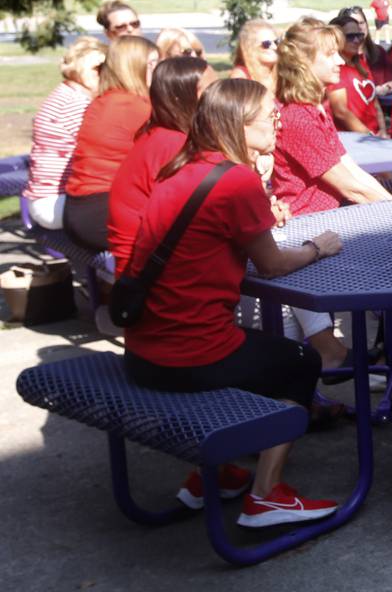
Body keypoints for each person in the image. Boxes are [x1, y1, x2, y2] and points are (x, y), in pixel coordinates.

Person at [121, 79, 342, 527]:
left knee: (257, 350)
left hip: (142, 350)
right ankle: (267, 496)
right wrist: (318, 247)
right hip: (191, 353)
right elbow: (274, 264)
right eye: (269, 116)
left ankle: (214, 475)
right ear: (239, 125)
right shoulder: (235, 180)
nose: (278, 122)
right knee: (297, 361)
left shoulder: (181, 168)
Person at [107, 56, 217, 278]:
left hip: (145, 263)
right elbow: (205, 219)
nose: (219, 96)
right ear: (182, 97)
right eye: (211, 89)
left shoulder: (160, 134)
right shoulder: (175, 146)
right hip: (147, 274)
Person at [272, 19, 392, 216]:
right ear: (303, 61)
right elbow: (352, 189)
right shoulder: (297, 116)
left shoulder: (313, 108)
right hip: (308, 225)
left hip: (328, 216)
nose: (341, 61)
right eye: (330, 55)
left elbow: (351, 169)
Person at [62, 36, 159, 251]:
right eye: (151, 64)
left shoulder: (104, 100)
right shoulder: (136, 106)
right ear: (132, 67)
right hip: (104, 214)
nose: (158, 70)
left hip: (78, 210)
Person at [22, 36, 107, 229]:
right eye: (96, 69)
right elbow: (100, 147)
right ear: (76, 67)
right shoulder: (74, 104)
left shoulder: (66, 93)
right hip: (53, 201)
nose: (103, 75)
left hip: (48, 198)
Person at [327, 13, 385, 135]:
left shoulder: (361, 62)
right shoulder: (335, 68)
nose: (357, 40)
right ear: (337, 38)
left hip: (373, 135)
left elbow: (375, 102)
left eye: (359, 35)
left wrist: (383, 131)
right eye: (350, 37)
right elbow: (341, 111)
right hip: (352, 139)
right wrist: (368, 136)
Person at [337, 6, 392, 90]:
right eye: (353, 23)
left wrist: (383, 89)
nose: (358, 27)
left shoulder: (378, 51)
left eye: (361, 22)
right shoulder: (337, 58)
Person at [230, 19, 281, 92]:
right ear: (250, 48)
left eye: (276, 42)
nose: (275, 47)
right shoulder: (240, 77)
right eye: (266, 44)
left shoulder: (282, 72)